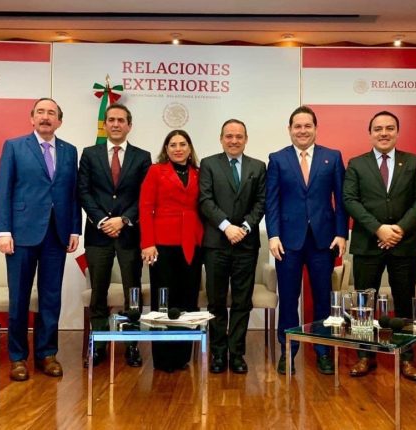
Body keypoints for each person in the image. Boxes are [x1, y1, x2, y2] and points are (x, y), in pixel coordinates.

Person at [0, 97, 81, 381]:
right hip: (21, 234)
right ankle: (18, 357)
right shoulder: (14, 146)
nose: (46, 117)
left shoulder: (69, 151)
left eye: (51, 113)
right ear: (32, 118)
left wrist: (74, 229)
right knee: (19, 297)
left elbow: (73, 193)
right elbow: (3, 190)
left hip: (56, 234)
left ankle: (47, 354)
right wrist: (3, 231)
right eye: (40, 112)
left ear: (59, 121)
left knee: (51, 297)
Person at [342, 111, 416, 381]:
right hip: (367, 244)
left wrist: (399, 229)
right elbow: (350, 200)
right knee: (363, 304)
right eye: (378, 129)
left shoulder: (412, 161)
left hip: (404, 244)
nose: (384, 133)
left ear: (397, 132)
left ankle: (407, 358)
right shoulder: (357, 164)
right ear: (370, 133)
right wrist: (378, 228)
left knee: (404, 302)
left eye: (389, 128)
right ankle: (365, 355)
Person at [266, 105, 348, 375]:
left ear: (315, 128)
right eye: (297, 126)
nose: (302, 131)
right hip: (287, 242)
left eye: (307, 126)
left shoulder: (332, 157)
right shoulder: (277, 159)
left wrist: (341, 233)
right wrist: (273, 235)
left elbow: (341, 199)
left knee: (323, 299)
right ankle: (287, 351)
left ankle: (323, 351)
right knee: (289, 299)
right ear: (289, 129)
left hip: (323, 241)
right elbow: (271, 201)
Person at [78, 103, 151, 367]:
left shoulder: (142, 157)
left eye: (121, 120)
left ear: (129, 125)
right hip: (98, 236)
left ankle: (131, 345)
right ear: (105, 124)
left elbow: (145, 195)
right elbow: (83, 191)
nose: (116, 124)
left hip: (129, 235)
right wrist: (102, 220)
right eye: (111, 120)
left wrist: (124, 219)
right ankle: (98, 345)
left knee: (133, 292)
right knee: (98, 292)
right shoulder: (89, 154)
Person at [199, 119, 266, 374]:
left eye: (239, 136)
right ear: (221, 139)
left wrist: (245, 227)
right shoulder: (208, 164)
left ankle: (236, 353)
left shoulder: (258, 166)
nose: (234, 140)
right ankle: (218, 353)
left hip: (246, 245)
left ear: (246, 139)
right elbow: (205, 200)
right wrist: (227, 226)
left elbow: (261, 202)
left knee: (242, 301)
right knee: (216, 301)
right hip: (216, 244)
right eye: (229, 136)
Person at [139, 129, 204, 373]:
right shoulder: (156, 171)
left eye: (182, 144)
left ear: (190, 148)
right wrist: (147, 243)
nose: (178, 148)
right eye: (173, 144)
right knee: (163, 300)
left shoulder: (199, 173)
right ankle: (163, 358)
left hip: (192, 242)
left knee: (188, 299)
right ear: (166, 149)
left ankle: (182, 356)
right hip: (162, 244)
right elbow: (145, 207)